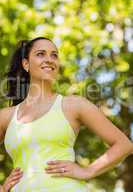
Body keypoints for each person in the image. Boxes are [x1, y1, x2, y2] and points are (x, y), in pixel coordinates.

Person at [0, 37, 133, 192]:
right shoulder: (6, 116)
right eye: (41, 54)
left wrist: (87, 171)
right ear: (26, 64)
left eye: (54, 55)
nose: (49, 60)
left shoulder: (74, 105)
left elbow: (124, 144)